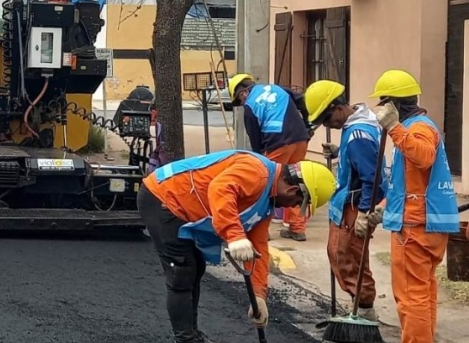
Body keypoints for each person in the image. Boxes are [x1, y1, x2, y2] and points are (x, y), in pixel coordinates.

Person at [138, 149, 335, 343]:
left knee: (196, 268)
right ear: (292, 190)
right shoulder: (256, 172)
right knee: (182, 272)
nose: (291, 207)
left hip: (180, 205)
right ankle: (186, 339)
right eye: (296, 202)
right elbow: (220, 188)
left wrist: (258, 295)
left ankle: (192, 335)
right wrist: (235, 235)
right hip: (163, 197)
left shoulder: (266, 200)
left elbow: (258, 248)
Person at [366, 69, 460, 343]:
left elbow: (424, 158)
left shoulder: (416, 129)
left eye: (383, 103)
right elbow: (408, 182)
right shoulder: (421, 126)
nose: (380, 109)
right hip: (425, 223)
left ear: (393, 105)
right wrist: (385, 206)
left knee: (411, 296)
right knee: (423, 291)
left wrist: (394, 128)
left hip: (416, 226)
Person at [303, 80, 386, 321]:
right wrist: (341, 152)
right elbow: (362, 162)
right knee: (340, 255)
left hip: (355, 206)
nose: (327, 125)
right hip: (347, 203)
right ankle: (359, 306)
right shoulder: (356, 129)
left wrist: (363, 213)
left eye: (327, 120)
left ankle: (364, 311)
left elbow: (373, 176)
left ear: (338, 108)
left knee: (349, 258)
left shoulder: (359, 134)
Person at [229, 73, 313, 241]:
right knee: (296, 182)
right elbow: (303, 101)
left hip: (277, 144)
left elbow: (255, 140)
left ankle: (261, 230)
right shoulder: (278, 88)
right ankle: (297, 228)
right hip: (300, 139)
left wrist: (259, 161)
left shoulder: (250, 107)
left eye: (239, 101)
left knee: (268, 186)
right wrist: (306, 125)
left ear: (243, 93)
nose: (242, 104)